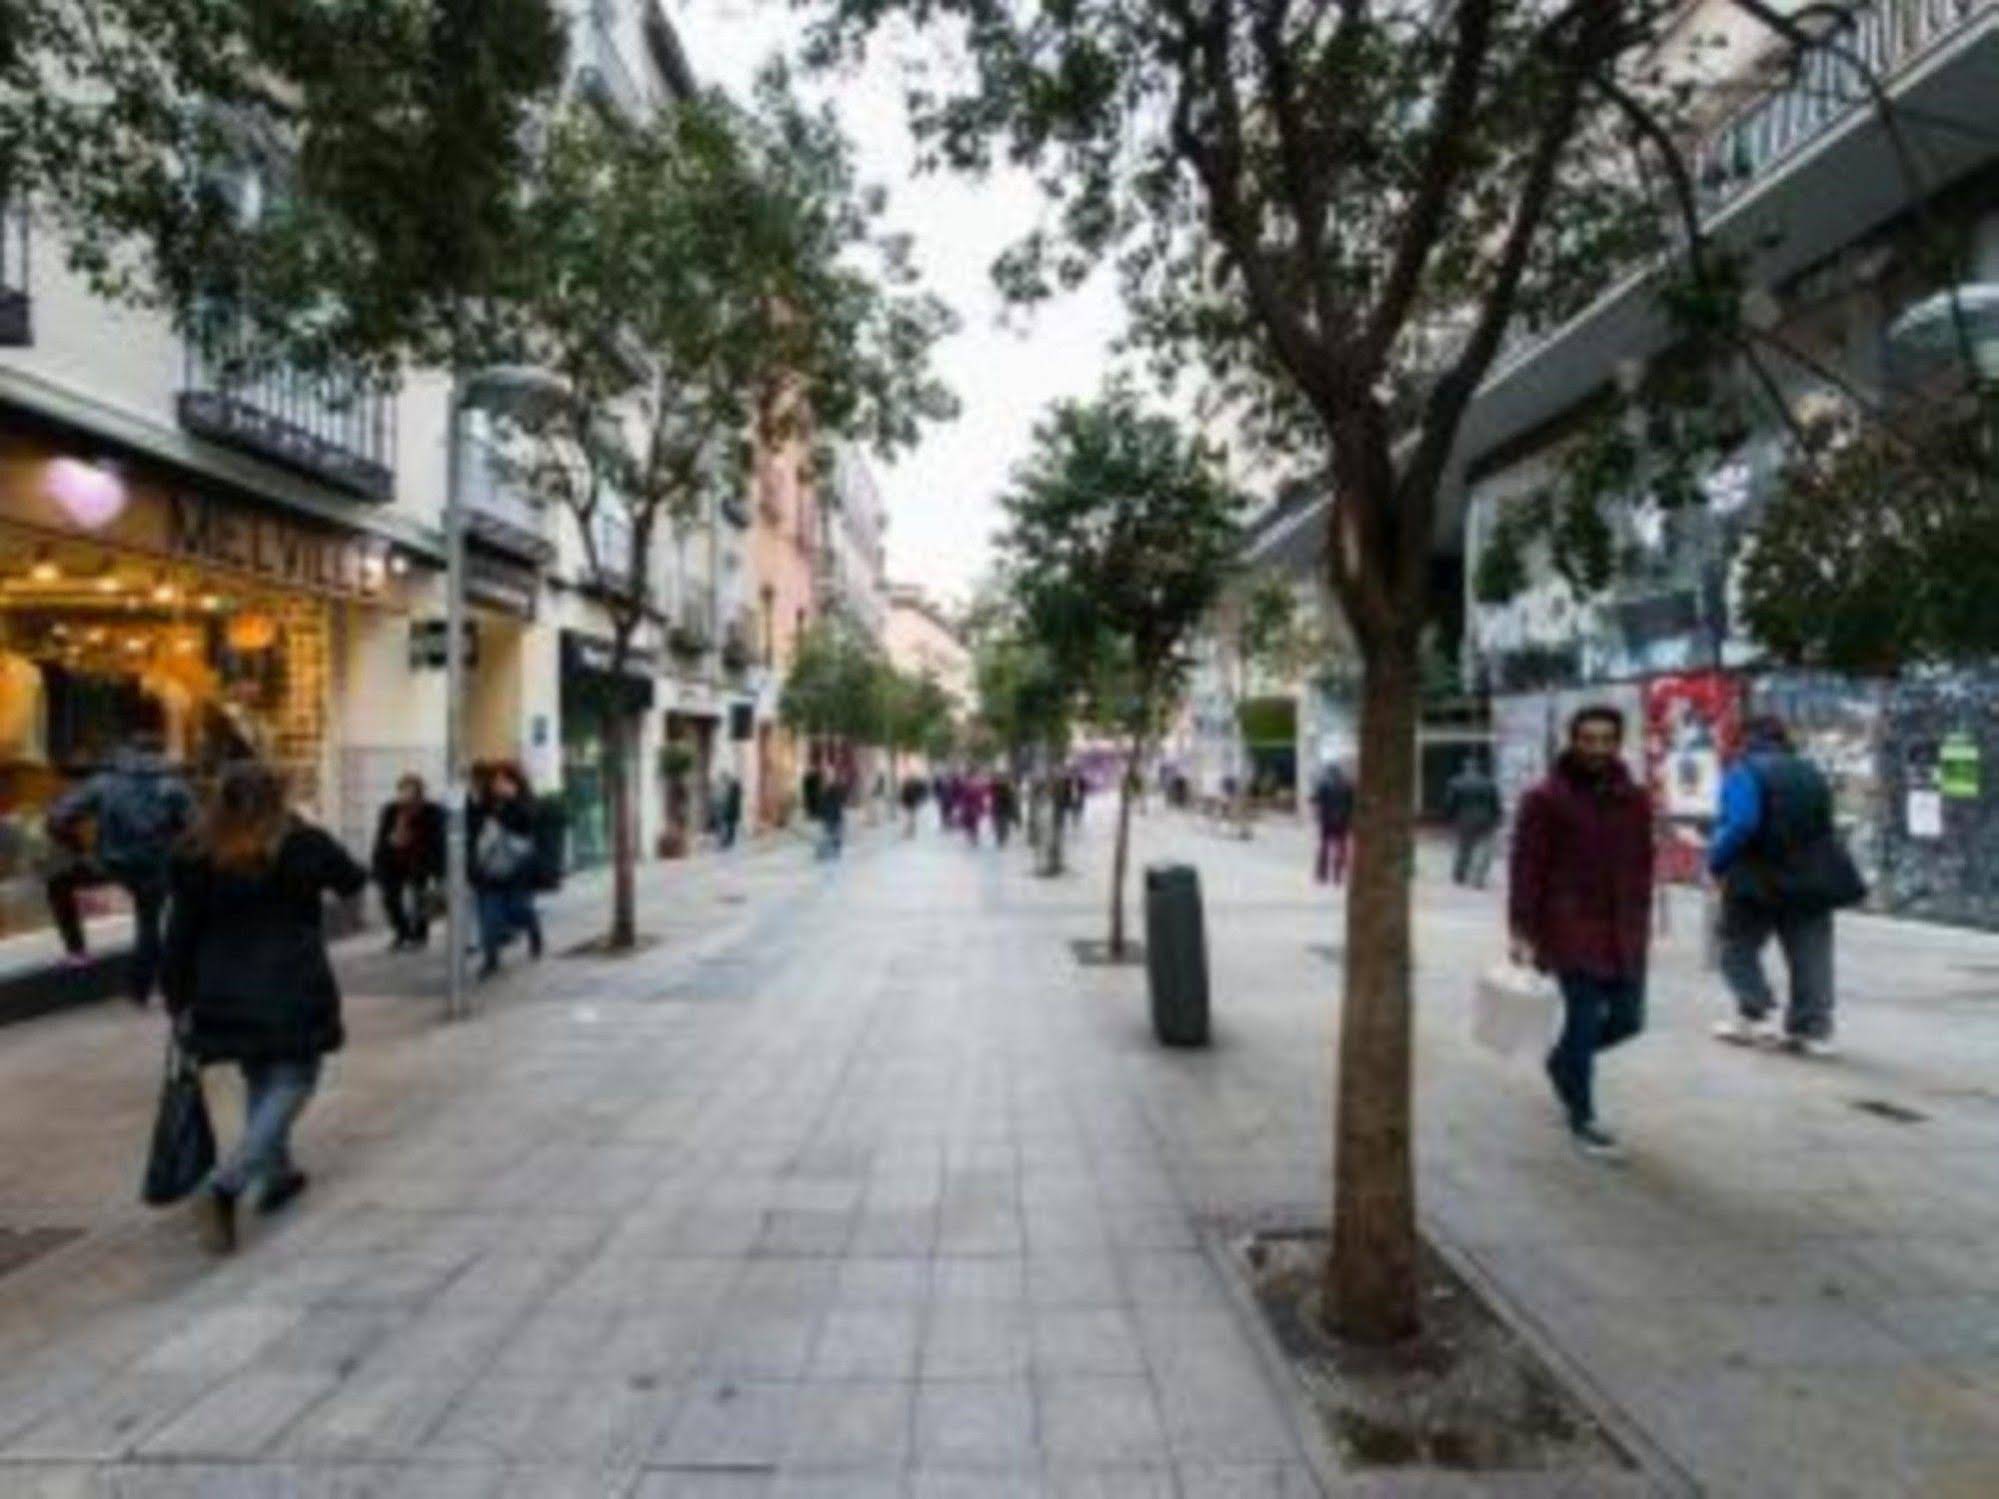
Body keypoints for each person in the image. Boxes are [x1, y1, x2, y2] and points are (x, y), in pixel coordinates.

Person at [161, 762, 367, 1252]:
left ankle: (276, 1173)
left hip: (221, 986)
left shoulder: (195, 852)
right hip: (291, 981)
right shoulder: (301, 844)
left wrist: (178, 997)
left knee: (260, 1074)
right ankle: (226, 1184)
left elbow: (179, 934)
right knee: (295, 1078)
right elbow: (353, 880)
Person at [1508, 705, 1654, 1159]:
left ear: (1618, 742)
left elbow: (1643, 859)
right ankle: (1583, 1117)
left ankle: (1561, 1062)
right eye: (1587, 739)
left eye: (1606, 739)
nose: (1597, 748)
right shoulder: (1545, 798)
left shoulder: (1634, 798)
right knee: (1583, 1020)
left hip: (1623, 926)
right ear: (1572, 741)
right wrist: (1522, 929)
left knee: (1629, 1020)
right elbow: (1526, 868)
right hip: (1569, 925)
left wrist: (1645, 913)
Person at [1708, 715, 1865, 1058]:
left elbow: (1741, 823)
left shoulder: (1745, 771)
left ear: (1747, 739)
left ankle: (1754, 1012)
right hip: (1813, 877)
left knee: (1736, 943)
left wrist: (1716, 861)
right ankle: (1812, 1030)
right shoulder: (1811, 772)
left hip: (1757, 875)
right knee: (1811, 953)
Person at [48, 733, 196, 1006]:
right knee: (148, 923)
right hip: (155, 865)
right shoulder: (173, 785)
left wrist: (78, 848)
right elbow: (194, 829)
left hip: (111, 862)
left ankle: (77, 950)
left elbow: (58, 818)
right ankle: (140, 989)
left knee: (58, 884)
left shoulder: (104, 782)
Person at [468, 761, 544, 978]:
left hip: (517, 868)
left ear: (516, 782)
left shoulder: (525, 802)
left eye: (505, 781)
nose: (499, 785)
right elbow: (472, 829)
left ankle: (533, 929)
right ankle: (490, 960)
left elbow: (526, 823)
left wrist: (510, 802)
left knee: (518, 910)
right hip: (488, 868)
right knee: (489, 916)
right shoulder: (484, 804)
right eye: (496, 781)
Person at [370, 774, 444, 950]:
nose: (405, 794)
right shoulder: (391, 810)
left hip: (419, 860)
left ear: (418, 792)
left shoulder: (430, 810)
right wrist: (379, 857)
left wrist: (436, 867)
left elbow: (435, 839)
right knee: (390, 898)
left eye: (409, 790)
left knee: (420, 898)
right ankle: (401, 932)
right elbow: (381, 835)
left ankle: (419, 934)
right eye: (402, 790)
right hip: (393, 860)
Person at [1444, 756, 1504, 890]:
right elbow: (1496, 803)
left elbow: (1450, 804)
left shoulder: (1456, 782)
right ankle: (1479, 877)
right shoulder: (1489, 783)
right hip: (1486, 819)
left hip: (1464, 819)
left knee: (1464, 848)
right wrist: (1498, 818)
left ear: (1464, 768)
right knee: (1485, 849)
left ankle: (1460, 875)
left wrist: (1450, 819)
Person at [1311, 762, 1355, 885]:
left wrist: (1318, 815)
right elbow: (1352, 804)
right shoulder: (1347, 786)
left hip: (1327, 820)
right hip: (1343, 820)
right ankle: (1338, 874)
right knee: (1341, 847)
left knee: (1325, 847)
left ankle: (1323, 873)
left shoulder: (1324, 785)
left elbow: (1316, 801)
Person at [717, 772, 744, 850]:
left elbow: (730, 804)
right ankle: (728, 841)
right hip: (731, 814)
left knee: (729, 827)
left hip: (730, 813)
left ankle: (727, 841)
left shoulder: (733, 795)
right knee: (730, 828)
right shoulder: (736, 795)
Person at [991, 776, 1019, 848]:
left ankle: (1002, 841)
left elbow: (1012, 804)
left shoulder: (1008, 791)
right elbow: (996, 802)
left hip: (1004, 811)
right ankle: (1001, 841)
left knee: (1003, 827)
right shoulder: (1001, 790)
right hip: (1002, 811)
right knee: (1002, 827)